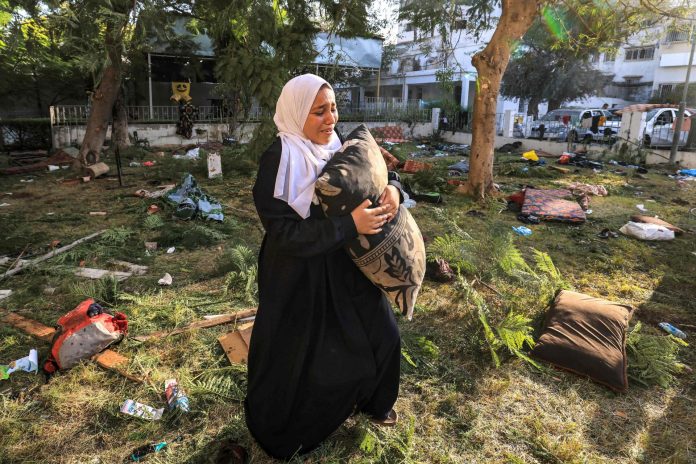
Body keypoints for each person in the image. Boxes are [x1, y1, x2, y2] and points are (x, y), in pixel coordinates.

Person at [245, 74, 403, 460]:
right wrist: (350, 225)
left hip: (345, 265)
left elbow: (379, 170)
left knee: (383, 334)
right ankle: (289, 430)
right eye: (319, 111)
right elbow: (284, 235)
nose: (330, 118)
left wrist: (396, 190)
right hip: (298, 275)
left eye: (333, 107)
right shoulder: (279, 158)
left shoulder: (338, 143)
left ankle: (375, 403)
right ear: (297, 113)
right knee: (302, 358)